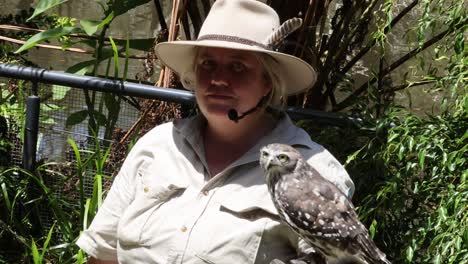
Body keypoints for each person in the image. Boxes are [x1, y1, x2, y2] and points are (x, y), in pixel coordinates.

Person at [76, 0, 355, 263]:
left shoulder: (316, 173)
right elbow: (104, 254)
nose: (219, 79)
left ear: (268, 82)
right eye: (208, 64)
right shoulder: (158, 146)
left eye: (238, 66)